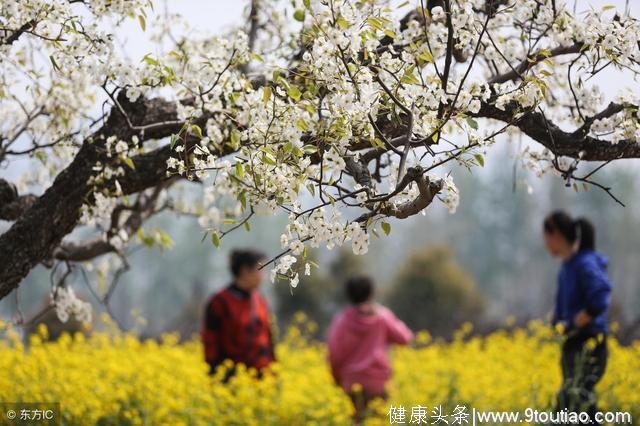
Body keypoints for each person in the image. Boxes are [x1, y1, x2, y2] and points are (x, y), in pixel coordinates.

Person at [543, 211, 612, 424]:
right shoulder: (569, 265)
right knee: (575, 407)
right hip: (575, 345)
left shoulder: (584, 263)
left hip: (588, 345)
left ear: (555, 235)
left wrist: (583, 318)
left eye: (545, 236)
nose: (545, 243)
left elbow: (601, 292)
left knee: (573, 404)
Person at [327, 275, 413, 421]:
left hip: (351, 381)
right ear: (371, 293)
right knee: (379, 420)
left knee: (357, 420)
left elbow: (334, 354)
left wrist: (337, 378)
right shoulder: (382, 316)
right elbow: (405, 337)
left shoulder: (342, 320)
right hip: (378, 381)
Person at [201, 249, 275, 381]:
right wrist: (215, 374)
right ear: (245, 271)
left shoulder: (260, 301)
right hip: (231, 377)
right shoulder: (220, 302)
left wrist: (274, 370)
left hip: (261, 377)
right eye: (260, 269)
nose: (263, 276)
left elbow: (268, 338)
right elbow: (210, 341)